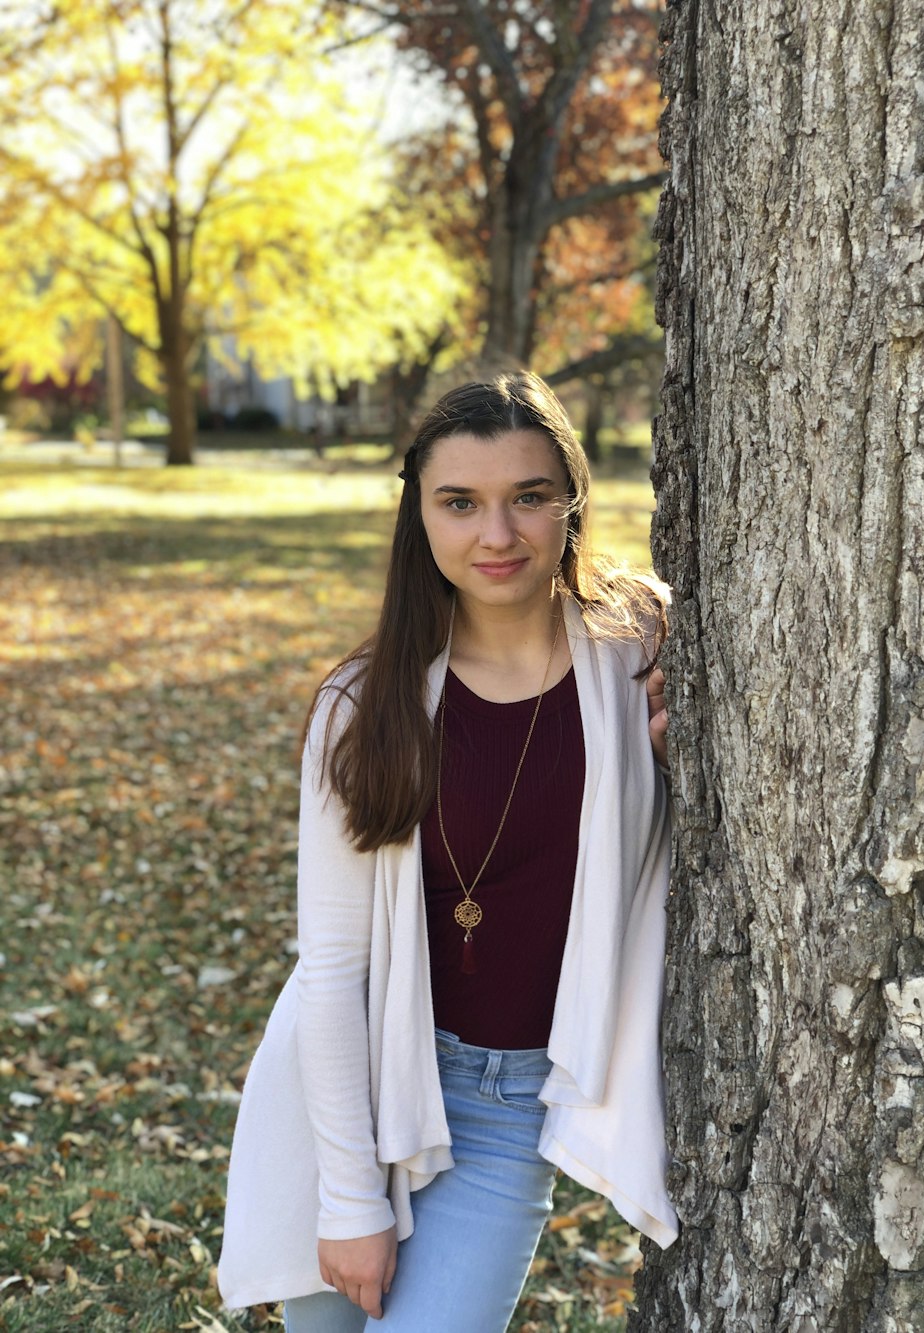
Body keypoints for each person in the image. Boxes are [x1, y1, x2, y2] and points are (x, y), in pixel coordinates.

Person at [217, 371, 678, 1331]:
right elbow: (334, 970)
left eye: (530, 497)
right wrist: (350, 1200)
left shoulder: (636, 651)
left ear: (573, 503)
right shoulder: (363, 708)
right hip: (354, 1086)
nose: (497, 534)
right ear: (418, 516)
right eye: (460, 502)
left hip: (509, 1105)